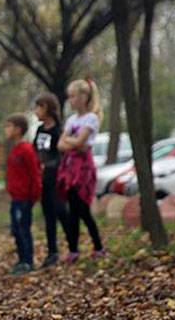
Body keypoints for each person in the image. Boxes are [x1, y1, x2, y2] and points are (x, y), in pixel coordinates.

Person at [57, 78, 106, 264]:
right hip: (69, 168)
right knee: (73, 211)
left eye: (74, 96)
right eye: (69, 97)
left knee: (82, 208)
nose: (70, 100)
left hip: (83, 169)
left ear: (85, 97)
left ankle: (98, 246)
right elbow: (61, 144)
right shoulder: (71, 120)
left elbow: (79, 142)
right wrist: (74, 143)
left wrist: (73, 142)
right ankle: (73, 249)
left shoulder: (91, 118)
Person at [33, 92, 71, 268]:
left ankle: (73, 247)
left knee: (61, 212)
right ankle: (52, 252)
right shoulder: (40, 130)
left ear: (47, 108)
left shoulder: (58, 130)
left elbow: (62, 154)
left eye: (38, 107)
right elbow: (35, 151)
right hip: (43, 181)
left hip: (56, 178)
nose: (35, 111)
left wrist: (50, 166)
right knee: (48, 215)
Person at [4, 114, 41, 275]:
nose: (6, 129)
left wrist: (34, 195)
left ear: (18, 130)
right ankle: (21, 260)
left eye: (9, 126)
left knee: (24, 229)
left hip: (25, 198)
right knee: (16, 230)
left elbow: (34, 173)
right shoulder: (14, 149)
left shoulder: (26, 149)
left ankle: (28, 262)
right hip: (15, 198)